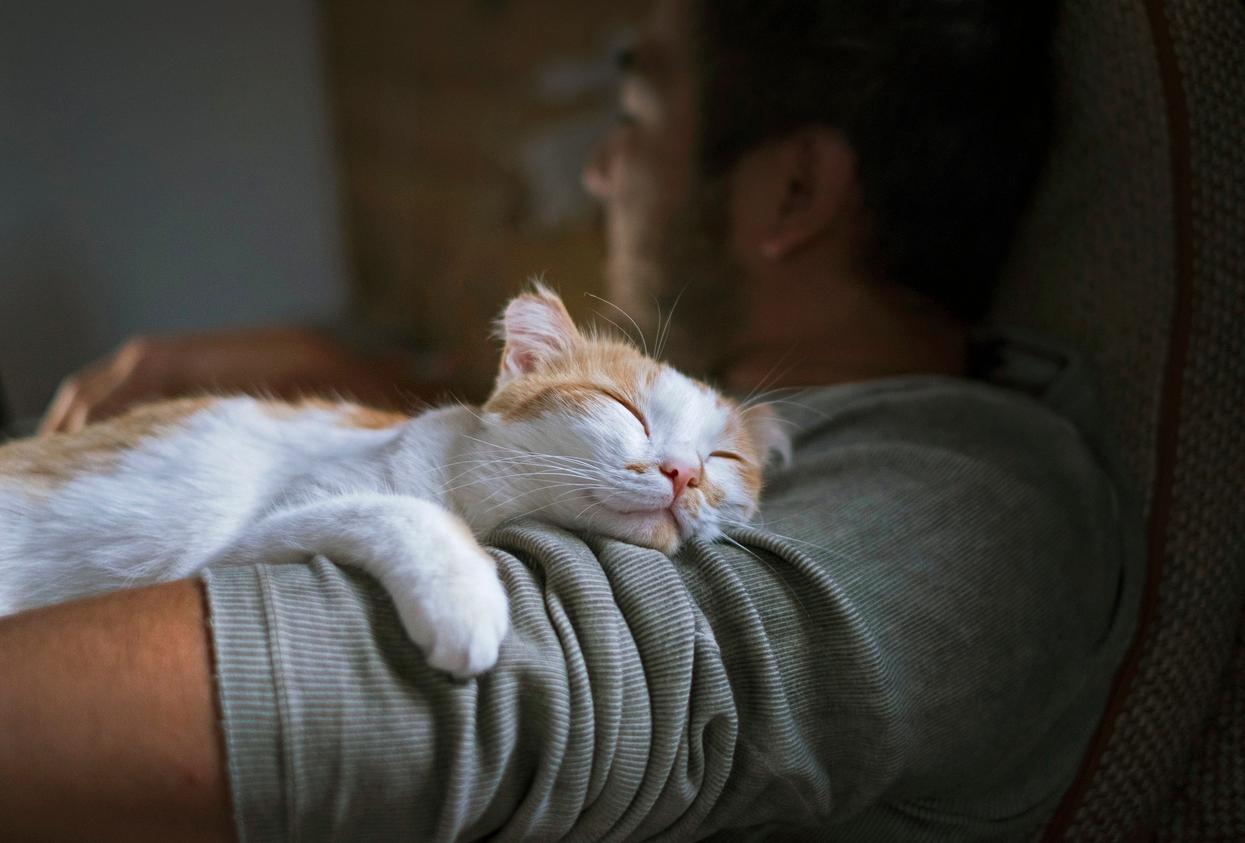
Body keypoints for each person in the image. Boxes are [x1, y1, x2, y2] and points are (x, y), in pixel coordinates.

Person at [0, 0, 1143, 839]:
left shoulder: (972, 501)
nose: (599, 170)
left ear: (792, 193)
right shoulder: (806, 437)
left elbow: (500, 696)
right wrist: (357, 384)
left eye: (635, 116)